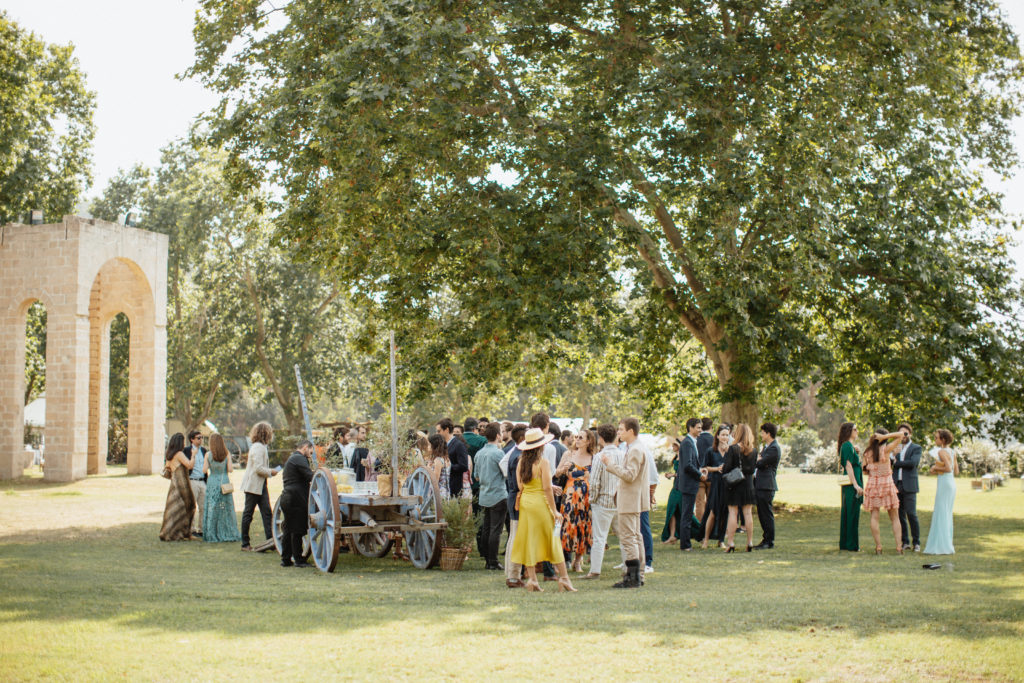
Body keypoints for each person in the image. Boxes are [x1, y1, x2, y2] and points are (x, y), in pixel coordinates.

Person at [508, 428, 577, 592]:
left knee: (529, 540)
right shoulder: (543, 463)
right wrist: (555, 511)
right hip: (540, 503)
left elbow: (520, 486)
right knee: (552, 539)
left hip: (526, 503)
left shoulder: (521, 463)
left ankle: (532, 580)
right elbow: (546, 488)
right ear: (540, 447)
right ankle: (564, 578)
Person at [603, 417, 649, 588]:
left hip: (630, 499)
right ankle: (639, 574)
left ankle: (633, 576)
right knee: (636, 536)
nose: (619, 433)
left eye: (621, 429)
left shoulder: (636, 449)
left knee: (629, 537)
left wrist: (611, 465)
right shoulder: (635, 448)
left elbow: (630, 475)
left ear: (631, 431)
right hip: (633, 499)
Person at [584, 424, 620, 580]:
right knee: (623, 535)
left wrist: (592, 500)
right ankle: (627, 564)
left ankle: (595, 570)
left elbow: (595, 482)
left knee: (599, 537)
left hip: (603, 500)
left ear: (601, 438)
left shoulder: (599, 457)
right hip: (619, 500)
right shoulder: (623, 454)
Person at [863, 429, 905, 554]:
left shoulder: (867, 452)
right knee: (894, 517)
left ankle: (879, 547)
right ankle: (899, 547)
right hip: (886, 484)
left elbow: (864, 470)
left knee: (874, 516)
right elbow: (901, 435)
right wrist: (886, 436)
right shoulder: (886, 449)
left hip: (873, 484)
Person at [558, 429, 594, 573]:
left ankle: (577, 561)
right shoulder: (568, 454)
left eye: (581, 437)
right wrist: (562, 470)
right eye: (576, 437)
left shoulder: (593, 457)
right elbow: (556, 472)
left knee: (583, 527)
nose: (577, 439)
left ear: (588, 441)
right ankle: (561, 560)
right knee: (567, 526)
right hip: (569, 496)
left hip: (586, 496)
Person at [240, 421, 278, 550]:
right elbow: (258, 468)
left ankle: (271, 541)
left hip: (260, 485)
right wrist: (271, 472)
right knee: (248, 514)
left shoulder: (261, 446)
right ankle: (245, 543)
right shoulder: (258, 447)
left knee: (267, 513)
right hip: (253, 486)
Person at [474, 423, 507, 570]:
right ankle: (493, 561)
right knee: (495, 530)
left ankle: (487, 559)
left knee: (487, 528)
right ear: (498, 435)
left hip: (484, 494)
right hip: (498, 494)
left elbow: (476, 477)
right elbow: (506, 473)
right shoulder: (499, 453)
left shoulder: (479, 453)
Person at [279, 440, 314, 567]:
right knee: (297, 529)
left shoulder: (293, 458)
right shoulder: (299, 458)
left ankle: (286, 559)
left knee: (288, 529)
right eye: (311, 450)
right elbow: (310, 476)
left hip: (288, 497)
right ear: (305, 447)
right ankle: (299, 560)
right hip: (295, 498)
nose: (311, 454)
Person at [722, 423, 757, 552]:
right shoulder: (753, 450)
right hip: (748, 484)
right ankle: (750, 541)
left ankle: (730, 542)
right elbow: (753, 469)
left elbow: (727, 468)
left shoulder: (733, 449)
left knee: (733, 513)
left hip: (735, 484)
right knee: (748, 513)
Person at [202, 433, 242, 543]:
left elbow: (204, 470)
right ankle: (227, 531)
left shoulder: (208, 455)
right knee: (225, 508)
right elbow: (230, 469)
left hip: (212, 481)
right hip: (224, 482)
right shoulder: (227, 454)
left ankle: (212, 532)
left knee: (212, 507)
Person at [924, 429, 958, 555]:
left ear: (943, 440)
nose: (935, 440)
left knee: (941, 512)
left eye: (937, 438)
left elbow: (948, 468)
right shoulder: (953, 452)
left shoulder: (942, 451)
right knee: (946, 513)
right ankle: (946, 543)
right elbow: (956, 471)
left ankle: (941, 546)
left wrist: (935, 467)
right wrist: (939, 469)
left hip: (945, 484)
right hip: (951, 484)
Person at [503, 423, 529, 587]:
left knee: (513, 535)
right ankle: (513, 576)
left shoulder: (515, 453)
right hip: (518, 498)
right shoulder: (519, 456)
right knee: (517, 537)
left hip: (513, 497)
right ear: (521, 438)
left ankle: (511, 573)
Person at [675, 418, 706, 552]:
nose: (700, 430)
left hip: (691, 483)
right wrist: (700, 475)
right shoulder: (687, 443)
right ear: (691, 427)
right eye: (698, 427)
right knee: (687, 515)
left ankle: (688, 542)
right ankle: (685, 545)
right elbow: (688, 465)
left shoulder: (692, 442)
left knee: (687, 514)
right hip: (688, 484)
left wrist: (700, 470)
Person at [160, 433, 196, 541]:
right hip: (182, 484)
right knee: (189, 506)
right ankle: (183, 532)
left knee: (174, 508)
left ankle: (172, 532)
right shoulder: (179, 454)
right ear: (180, 442)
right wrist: (193, 455)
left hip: (174, 484)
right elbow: (189, 465)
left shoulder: (169, 455)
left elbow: (168, 469)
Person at [892, 423, 922, 552]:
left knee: (911, 513)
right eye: (900, 433)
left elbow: (913, 463)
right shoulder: (895, 448)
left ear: (910, 434)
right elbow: (889, 463)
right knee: (899, 515)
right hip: (896, 484)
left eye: (905, 433)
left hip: (909, 485)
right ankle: (905, 541)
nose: (903, 436)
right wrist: (893, 457)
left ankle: (917, 542)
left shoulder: (916, 448)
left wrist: (897, 463)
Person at [700, 425, 730, 549]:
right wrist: (716, 469)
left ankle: (721, 540)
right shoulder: (711, 451)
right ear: (717, 436)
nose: (724, 437)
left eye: (727, 435)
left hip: (728, 485)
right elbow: (704, 467)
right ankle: (706, 539)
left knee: (725, 513)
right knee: (712, 512)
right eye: (722, 434)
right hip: (716, 484)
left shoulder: (731, 451)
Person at [838, 423, 864, 552]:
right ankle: (851, 544)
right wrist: (855, 484)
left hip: (853, 482)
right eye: (855, 429)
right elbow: (848, 466)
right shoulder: (847, 446)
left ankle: (847, 543)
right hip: (852, 484)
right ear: (849, 431)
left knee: (850, 512)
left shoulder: (849, 446)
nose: (857, 431)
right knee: (852, 513)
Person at [754, 422, 780, 549]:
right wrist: (759, 460)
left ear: (768, 433)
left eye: (763, 432)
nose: (761, 434)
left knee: (766, 514)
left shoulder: (774, 448)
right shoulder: (766, 447)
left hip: (766, 485)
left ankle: (769, 540)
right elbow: (759, 461)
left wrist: (759, 460)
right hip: (760, 484)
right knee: (762, 513)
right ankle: (766, 538)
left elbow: (760, 462)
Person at [436, 418, 469, 498]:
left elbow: (464, 466)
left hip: (454, 488)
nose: (437, 433)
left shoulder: (458, 445)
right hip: (442, 489)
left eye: (439, 431)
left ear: (446, 430)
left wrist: (447, 466)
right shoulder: (441, 445)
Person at [183, 430, 207, 537]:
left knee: (203, 506)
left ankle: (201, 529)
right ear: (192, 439)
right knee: (192, 506)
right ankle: (191, 529)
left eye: (201, 437)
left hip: (203, 481)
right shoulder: (187, 450)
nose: (201, 439)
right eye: (198, 438)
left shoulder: (204, 450)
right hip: (192, 480)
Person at [660, 448, 682, 544]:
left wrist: (672, 475)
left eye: (674, 445)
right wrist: (671, 475)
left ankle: (700, 533)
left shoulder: (685, 455)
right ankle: (672, 535)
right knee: (671, 511)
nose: (673, 447)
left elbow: (684, 472)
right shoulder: (676, 456)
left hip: (682, 487)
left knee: (683, 512)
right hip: (675, 487)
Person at [695, 417, 714, 520]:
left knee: (699, 503)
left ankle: (699, 526)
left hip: (699, 474)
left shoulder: (696, 439)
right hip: (711, 474)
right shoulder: (714, 439)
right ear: (711, 427)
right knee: (711, 503)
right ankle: (710, 527)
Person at [425, 434, 451, 500]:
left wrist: (428, 467)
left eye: (429, 445)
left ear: (434, 446)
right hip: (445, 490)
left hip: (438, 493)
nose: (428, 447)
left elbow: (435, 480)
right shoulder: (446, 459)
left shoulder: (438, 461)